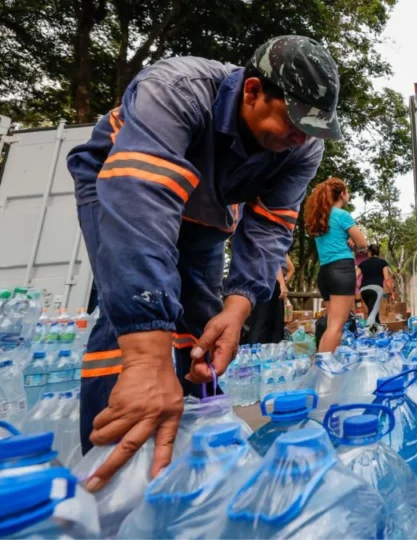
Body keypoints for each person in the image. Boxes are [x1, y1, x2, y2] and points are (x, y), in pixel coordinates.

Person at [64, 36, 340, 489]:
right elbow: (142, 198)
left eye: (314, 128)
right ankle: (110, 465)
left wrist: (238, 307)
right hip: (122, 184)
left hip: (210, 211)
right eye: (294, 122)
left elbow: (270, 227)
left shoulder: (304, 146)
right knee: (133, 321)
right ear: (252, 92)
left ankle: (188, 449)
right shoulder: (177, 88)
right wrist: (147, 355)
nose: (302, 138)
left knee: (199, 330)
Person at [307, 178, 366, 352]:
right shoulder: (342, 215)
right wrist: (355, 243)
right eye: (347, 191)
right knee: (336, 326)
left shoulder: (321, 218)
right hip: (341, 270)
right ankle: (326, 370)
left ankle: (322, 365)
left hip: (325, 273)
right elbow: (362, 243)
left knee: (331, 324)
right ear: (342, 194)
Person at [242, 254, 294, 344]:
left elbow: (291, 269)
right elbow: (274, 259)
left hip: (267, 282)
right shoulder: (275, 242)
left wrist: (282, 284)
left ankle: (268, 350)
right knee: (261, 321)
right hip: (266, 280)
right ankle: (255, 349)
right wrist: (282, 283)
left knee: (272, 323)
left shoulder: (282, 246)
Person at [357, 245, 394, 330]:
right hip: (376, 290)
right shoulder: (382, 262)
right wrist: (392, 293)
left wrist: (360, 286)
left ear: (369, 252)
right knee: (373, 313)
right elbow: (387, 279)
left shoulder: (363, 263)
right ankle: (368, 335)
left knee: (373, 310)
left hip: (364, 290)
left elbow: (354, 277)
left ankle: (377, 331)